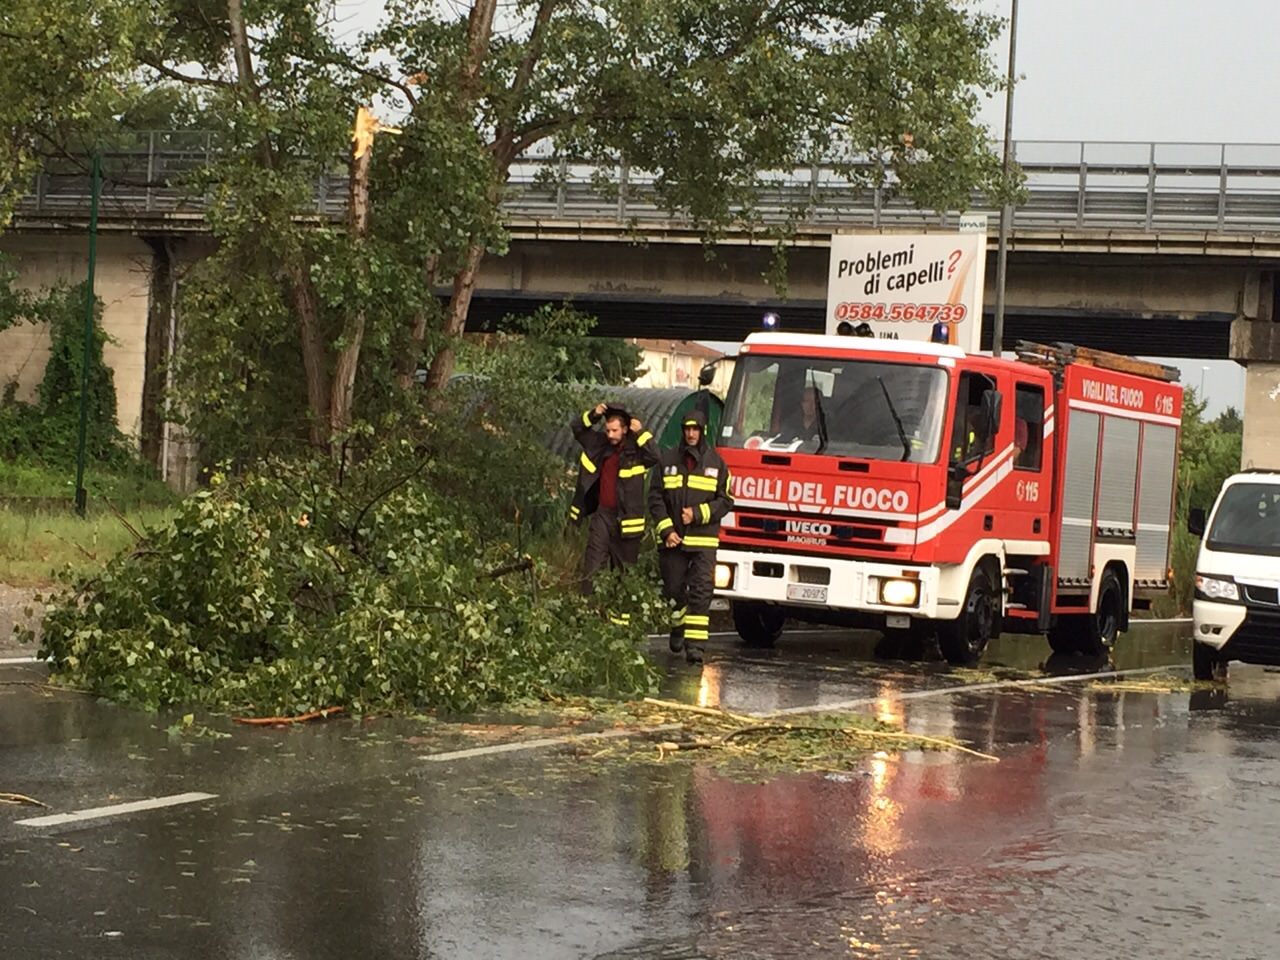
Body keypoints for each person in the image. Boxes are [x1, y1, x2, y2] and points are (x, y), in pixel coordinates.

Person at [650, 410, 733, 664]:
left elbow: (726, 501)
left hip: (703, 542)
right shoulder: (667, 461)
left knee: (700, 592)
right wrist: (667, 530)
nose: (691, 433)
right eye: (687, 429)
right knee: (674, 591)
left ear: (703, 431)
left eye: (696, 429)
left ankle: (695, 647)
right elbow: (655, 498)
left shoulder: (717, 464)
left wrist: (697, 514)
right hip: (673, 541)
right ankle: (678, 625)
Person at [570, 402, 659, 599]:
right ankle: (589, 614)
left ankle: (620, 621)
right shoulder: (600, 444)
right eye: (607, 430)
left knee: (623, 574)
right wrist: (594, 413)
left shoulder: (636, 451)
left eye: (615, 430)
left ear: (625, 429)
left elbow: (655, 456)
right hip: (602, 515)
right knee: (592, 567)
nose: (610, 435)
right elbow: (577, 428)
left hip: (627, 522)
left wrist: (641, 432)